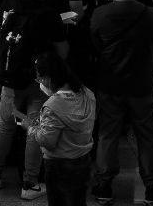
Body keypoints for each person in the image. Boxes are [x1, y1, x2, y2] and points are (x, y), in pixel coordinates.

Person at [0, 0, 71, 194]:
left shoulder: (9, 4)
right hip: (39, 81)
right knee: (34, 128)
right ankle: (30, 183)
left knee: (5, 125)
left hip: (10, 78)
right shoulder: (49, 14)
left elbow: (1, 36)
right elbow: (62, 52)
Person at [89, 0, 153, 206]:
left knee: (107, 134)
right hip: (142, 84)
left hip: (110, 83)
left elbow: (96, 46)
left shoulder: (99, 15)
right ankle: (152, 188)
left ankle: (104, 185)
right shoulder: (151, 15)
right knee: (147, 135)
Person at [29, 52, 98, 206]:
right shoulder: (87, 93)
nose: (39, 82)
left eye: (39, 78)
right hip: (84, 161)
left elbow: (47, 141)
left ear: (49, 78)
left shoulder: (52, 105)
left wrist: (32, 128)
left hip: (59, 166)